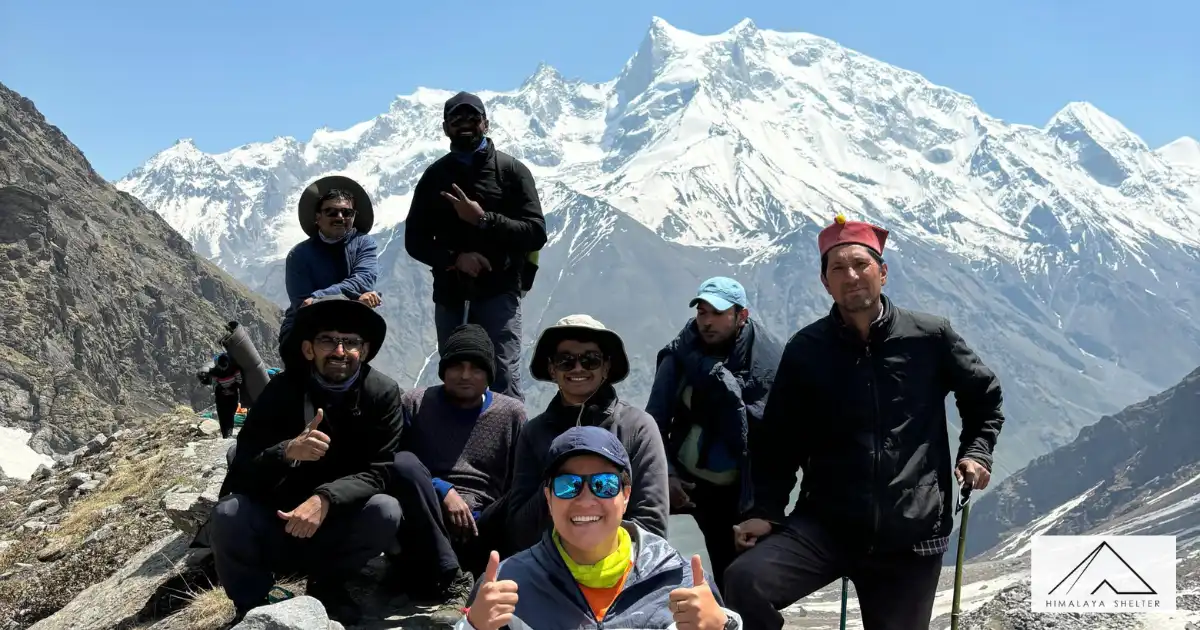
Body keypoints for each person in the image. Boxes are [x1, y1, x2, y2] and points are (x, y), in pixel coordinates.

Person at [722, 214, 1006, 630]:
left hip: (910, 534)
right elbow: (779, 441)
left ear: (883, 272)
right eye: (837, 268)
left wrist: (976, 452)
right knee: (745, 581)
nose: (851, 275)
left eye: (861, 264)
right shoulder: (807, 350)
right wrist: (765, 509)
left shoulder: (929, 337)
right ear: (825, 283)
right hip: (824, 526)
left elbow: (984, 397)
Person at [209, 295, 403, 624]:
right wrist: (285, 451)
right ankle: (253, 606)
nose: (339, 351)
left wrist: (326, 498)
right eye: (328, 340)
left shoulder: (382, 394)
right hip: (278, 522)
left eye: (350, 342)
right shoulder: (282, 391)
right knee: (228, 514)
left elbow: (380, 470)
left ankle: (329, 587)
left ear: (365, 351)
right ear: (308, 349)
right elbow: (244, 462)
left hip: (338, 525)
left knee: (385, 511)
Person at [456, 426, 744, 630]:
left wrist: (722, 627)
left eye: (603, 485)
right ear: (548, 497)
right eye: (568, 485)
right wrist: (473, 627)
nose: (585, 500)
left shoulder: (680, 581)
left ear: (626, 495)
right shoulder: (507, 585)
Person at [404, 91, 547, 402]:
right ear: (445, 127)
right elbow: (414, 241)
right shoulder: (434, 177)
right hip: (451, 293)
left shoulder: (512, 172)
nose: (465, 124)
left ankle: (510, 446)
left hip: (500, 291)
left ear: (486, 123)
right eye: (457, 119)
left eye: (473, 118)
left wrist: (484, 220)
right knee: (456, 375)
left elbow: (536, 233)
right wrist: (455, 258)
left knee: (503, 374)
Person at [645, 276, 782, 593]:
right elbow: (654, 421)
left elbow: (779, 436)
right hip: (686, 479)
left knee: (739, 577)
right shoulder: (678, 356)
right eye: (702, 312)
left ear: (741, 315)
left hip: (741, 488)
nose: (707, 322)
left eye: (717, 313)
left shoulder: (768, 361)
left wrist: (765, 507)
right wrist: (667, 474)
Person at [385, 324, 526, 623]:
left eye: (475, 368)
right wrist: (443, 489)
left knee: (535, 487)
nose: (465, 375)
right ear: (443, 370)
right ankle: (453, 579)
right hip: (427, 517)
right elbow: (394, 463)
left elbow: (519, 477)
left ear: (489, 374)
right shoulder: (416, 403)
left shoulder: (511, 414)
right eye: (456, 366)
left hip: (484, 523)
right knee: (403, 463)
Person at [506, 315, 670, 553]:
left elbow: (651, 525)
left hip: (623, 571)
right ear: (552, 369)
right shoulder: (534, 433)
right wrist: (561, 480)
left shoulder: (638, 428)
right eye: (566, 361)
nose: (578, 368)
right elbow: (519, 528)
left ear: (606, 366)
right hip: (549, 570)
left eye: (590, 360)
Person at [280, 175, 382, 352]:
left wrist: (319, 297)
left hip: (352, 328)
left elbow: (364, 280)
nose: (340, 217)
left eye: (347, 212)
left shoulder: (365, 244)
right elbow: (303, 305)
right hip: (307, 330)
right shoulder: (298, 255)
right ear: (317, 217)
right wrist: (356, 300)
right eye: (332, 212)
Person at [197, 352, 243, 439]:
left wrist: (230, 390)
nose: (223, 368)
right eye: (221, 366)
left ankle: (229, 433)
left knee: (230, 414)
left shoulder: (235, 370)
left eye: (225, 366)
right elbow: (215, 383)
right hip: (221, 396)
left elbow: (239, 381)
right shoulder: (215, 371)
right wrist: (223, 390)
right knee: (222, 415)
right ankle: (225, 434)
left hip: (232, 395)